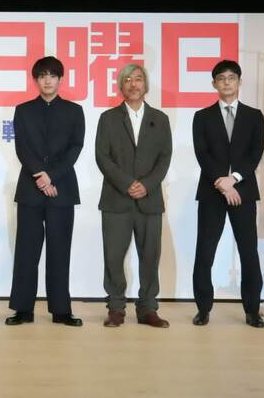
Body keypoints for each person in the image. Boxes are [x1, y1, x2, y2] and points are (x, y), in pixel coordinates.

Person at [5, 56, 84, 327]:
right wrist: (40, 175)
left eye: (52, 75)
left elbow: (75, 148)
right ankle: (23, 309)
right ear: (36, 80)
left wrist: (52, 176)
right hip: (30, 188)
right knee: (26, 251)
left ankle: (61, 310)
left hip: (62, 189)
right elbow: (22, 148)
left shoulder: (74, 111)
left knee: (60, 251)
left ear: (60, 79)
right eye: (42, 76)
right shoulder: (23, 110)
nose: (47, 80)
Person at [95, 64, 172, 328]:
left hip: (149, 200)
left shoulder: (160, 119)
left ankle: (148, 308)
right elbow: (102, 157)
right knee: (113, 256)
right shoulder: (108, 118)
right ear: (121, 86)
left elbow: (164, 158)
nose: (133, 84)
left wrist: (146, 185)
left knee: (150, 256)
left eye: (138, 79)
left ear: (145, 84)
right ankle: (116, 308)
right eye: (127, 80)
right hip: (116, 199)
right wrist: (127, 183)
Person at [192, 60, 264, 328]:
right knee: (205, 251)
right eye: (221, 78)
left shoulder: (254, 116)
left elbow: (255, 153)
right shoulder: (202, 116)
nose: (226, 82)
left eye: (231, 77)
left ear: (239, 81)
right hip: (211, 192)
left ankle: (252, 310)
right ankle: (203, 308)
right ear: (214, 84)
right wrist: (221, 183)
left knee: (249, 251)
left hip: (243, 192)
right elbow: (202, 154)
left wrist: (233, 179)